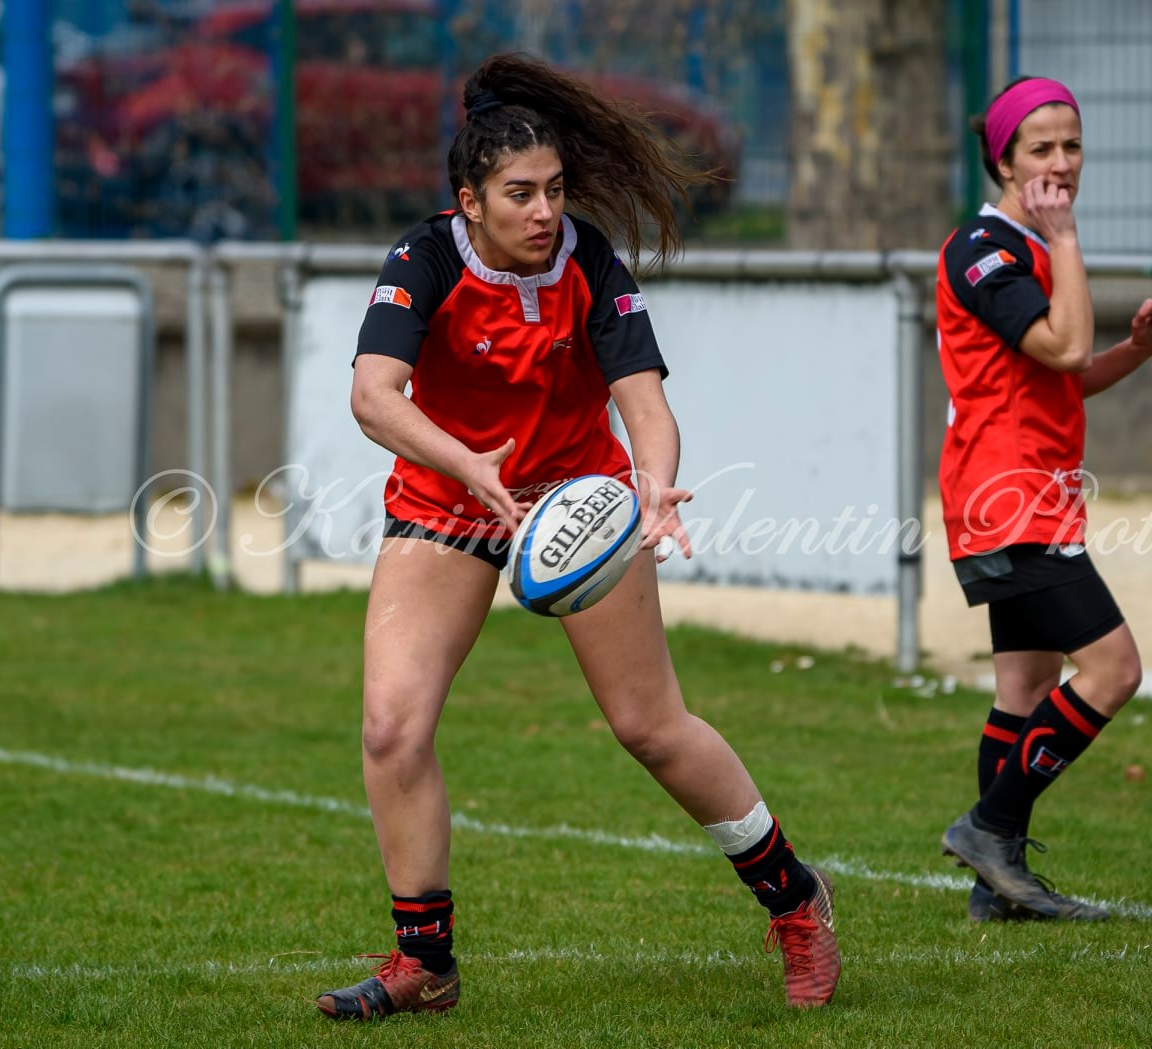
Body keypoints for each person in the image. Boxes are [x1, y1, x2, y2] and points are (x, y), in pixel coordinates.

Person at [315, 53, 839, 1019]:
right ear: (466, 200)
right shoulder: (422, 259)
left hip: (577, 500)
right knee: (392, 726)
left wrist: (651, 485)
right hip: (447, 499)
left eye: (553, 189)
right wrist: (467, 462)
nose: (543, 210)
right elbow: (371, 397)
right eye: (518, 193)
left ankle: (795, 900)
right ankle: (424, 962)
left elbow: (645, 401)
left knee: (649, 726)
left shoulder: (589, 261)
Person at [933, 76, 1152, 922]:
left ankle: (991, 888)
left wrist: (1137, 351)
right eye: (1040, 148)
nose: (1061, 163)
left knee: (1026, 684)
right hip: (1007, 503)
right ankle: (989, 832)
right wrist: (1066, 236)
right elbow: (1065, 342)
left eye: (1072, 145)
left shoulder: (1028, 245)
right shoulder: (985, 249)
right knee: (1113, 669)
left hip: (1032, 496)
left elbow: (1066, 371)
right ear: (1001, 158)